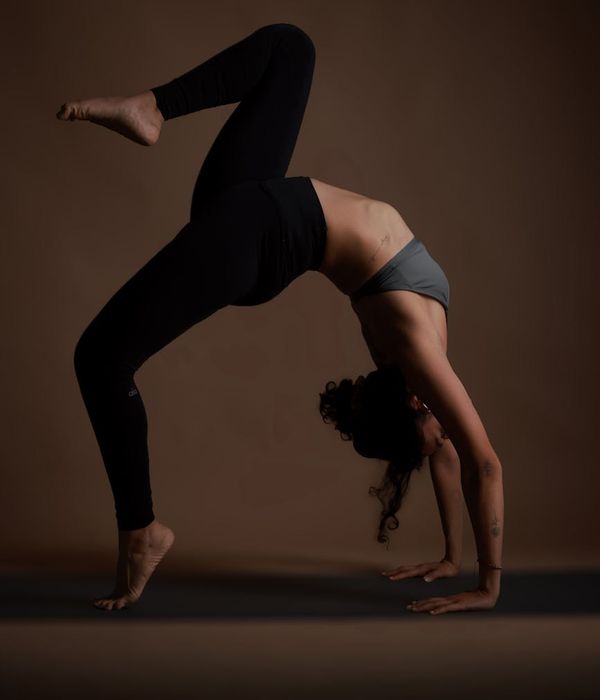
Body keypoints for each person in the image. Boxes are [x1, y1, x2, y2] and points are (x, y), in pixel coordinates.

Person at [57, 23, 503, 614]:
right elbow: (449, 455)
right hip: (255, 211)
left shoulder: (415, 351)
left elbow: (482, 462)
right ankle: (153, 107)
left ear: (413, 403)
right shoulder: (421, 374)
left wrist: (488, 585)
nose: (443, 429)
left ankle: (140, 529)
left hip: (259, 236)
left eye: (432, 426)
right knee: (290, 49)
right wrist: (453, 557)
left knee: (100, 358)